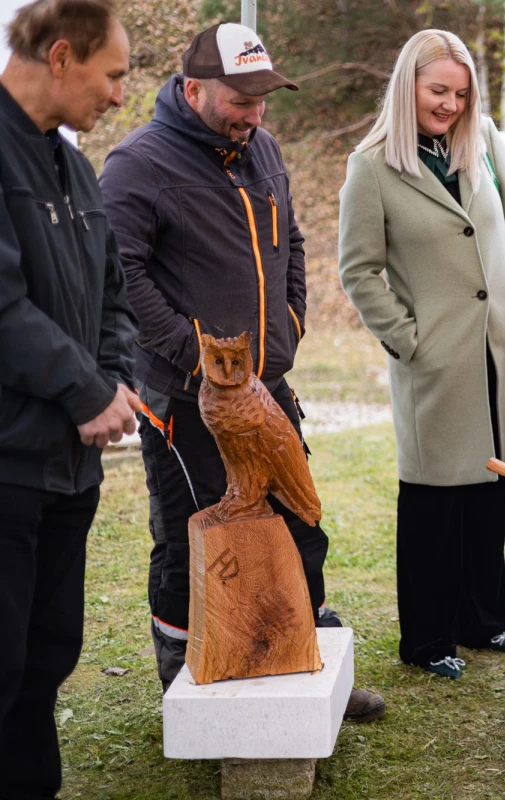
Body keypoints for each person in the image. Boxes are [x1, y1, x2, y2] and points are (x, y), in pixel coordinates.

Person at [98, 22, 384, 722]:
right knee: (193, 537)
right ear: (192, 89)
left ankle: (307, 660)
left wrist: (291, 323)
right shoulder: (138, 163)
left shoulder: (264, 150)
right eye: (240, 99)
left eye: (264, 99)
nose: (255, 113)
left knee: (298, 525)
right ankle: (187, 687)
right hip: (185, 398)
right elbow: (119, 273)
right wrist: (194, 355)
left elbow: (295, 241)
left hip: (266, 390)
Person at [338, 30, 505, 680]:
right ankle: (428, 639)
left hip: (499, 347)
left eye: (460, 93)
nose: (451, 104)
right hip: (435, 356)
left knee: (491, 485)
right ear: (409, 88)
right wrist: (408, 340)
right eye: (438, 91)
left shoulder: (482, 140)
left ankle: (484, 622)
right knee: (434, 497)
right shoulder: (370, 167)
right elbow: (359, 269)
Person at [0, 0, 139, 795]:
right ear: (61, 56)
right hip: (9, 462)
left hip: (68, 472)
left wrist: (116, 378)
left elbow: (112, 294)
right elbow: (4, 307)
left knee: (48, 656)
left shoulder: (75, 165)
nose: (121, 95)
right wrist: (85, 389)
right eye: (113, 74)